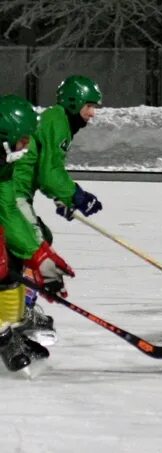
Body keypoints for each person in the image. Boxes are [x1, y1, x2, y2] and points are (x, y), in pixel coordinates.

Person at [12, 75, 103, 345]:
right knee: (34, 244)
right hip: (12, 192)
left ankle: (21, 306)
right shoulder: (58, 120)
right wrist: (76, 195)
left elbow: (43, 171)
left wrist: (62, 198)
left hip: (18, 191)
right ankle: (21, 312)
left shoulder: (55, 120)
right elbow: (51, 173)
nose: (92, 114)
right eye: (90, 106)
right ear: (74, 102)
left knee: (41, 238)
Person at [0, 95, 75, 373]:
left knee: (11, 259)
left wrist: (39, 257)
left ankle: (12, 325)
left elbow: (7, 211)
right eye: (23, 140)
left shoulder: (4, 163)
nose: (28, 146)